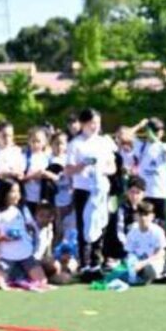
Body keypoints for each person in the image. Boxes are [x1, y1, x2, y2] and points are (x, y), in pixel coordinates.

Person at [66, 108, 114, 279]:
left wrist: (102, 170)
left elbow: (112, 166)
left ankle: (96, 262)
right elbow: (69, 170)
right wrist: (83, 165)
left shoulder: (104, 142)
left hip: (100, 189)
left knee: (101, 224)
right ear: (84, 123)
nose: (95, 126)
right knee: (84, 226)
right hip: (83, 190)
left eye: (98, 123)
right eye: (92, 123)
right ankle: (85, 264)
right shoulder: (76, 144)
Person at [0, 179, 46, 290]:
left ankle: (20, 276)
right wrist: (3, 237)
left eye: (18, 192)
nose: (17, 195)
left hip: (25, 254)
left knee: (42, 282)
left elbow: (32, 228)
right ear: (4, 193)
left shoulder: (23, 209)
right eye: (13, 192)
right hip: (6, 256)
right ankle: (17, 276)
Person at [133, 118, 166, 229]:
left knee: (162, 226)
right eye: (155, 131)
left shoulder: (164, 146)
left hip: (160, 193)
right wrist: (140, 125)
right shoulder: (140, 146)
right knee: (143, 224)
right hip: (144, 194)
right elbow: (125, 135)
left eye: (160, 131)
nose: (158, 133)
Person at [123, 200, 166, 285]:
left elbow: (161, 253)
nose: (143, 218)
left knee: (147, 270)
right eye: (140, 215)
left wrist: (143, 263)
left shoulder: (157, 231)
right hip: (137, 263)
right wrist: (132, 261)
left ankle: (157, 276)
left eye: (146, 215)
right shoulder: (132, 232)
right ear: (135, 216)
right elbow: (129, 252)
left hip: (152, 263)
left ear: (152, 216)